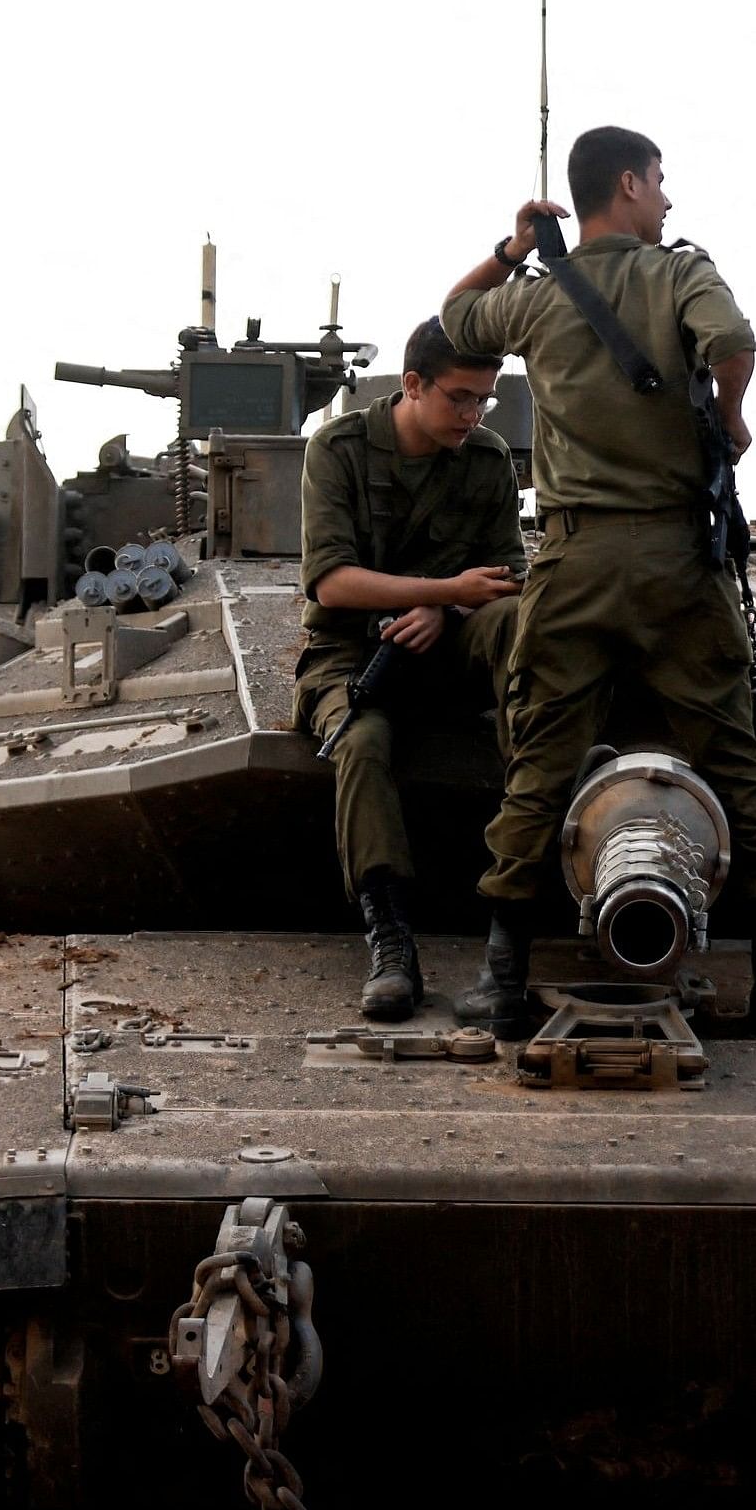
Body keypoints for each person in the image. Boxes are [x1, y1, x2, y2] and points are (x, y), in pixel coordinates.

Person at [439, 127, 756, 1036]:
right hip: (680, 564)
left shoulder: (534, 298)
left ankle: (500, 975)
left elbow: (452, 318)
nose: (669, 202)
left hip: (573, 563)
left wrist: (513, 249)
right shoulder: (681, 273)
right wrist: (729, 417)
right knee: (733, 761)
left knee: (540, 763)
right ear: (631, 183)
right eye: (660, 183)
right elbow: (731, 340)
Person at [294, 318, 526, 1021]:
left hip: (449, 645)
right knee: (361, 743)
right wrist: (442, 590)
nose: (472, 414)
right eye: (459, 397)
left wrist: (450, 610)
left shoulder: (486, 459)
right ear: (413, 384)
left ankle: (530, 857)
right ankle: (391, 939)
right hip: (350, 652)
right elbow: (331, 582)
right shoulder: (337, 450)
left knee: (521, 620)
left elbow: (511, 572)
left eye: (484, 399)